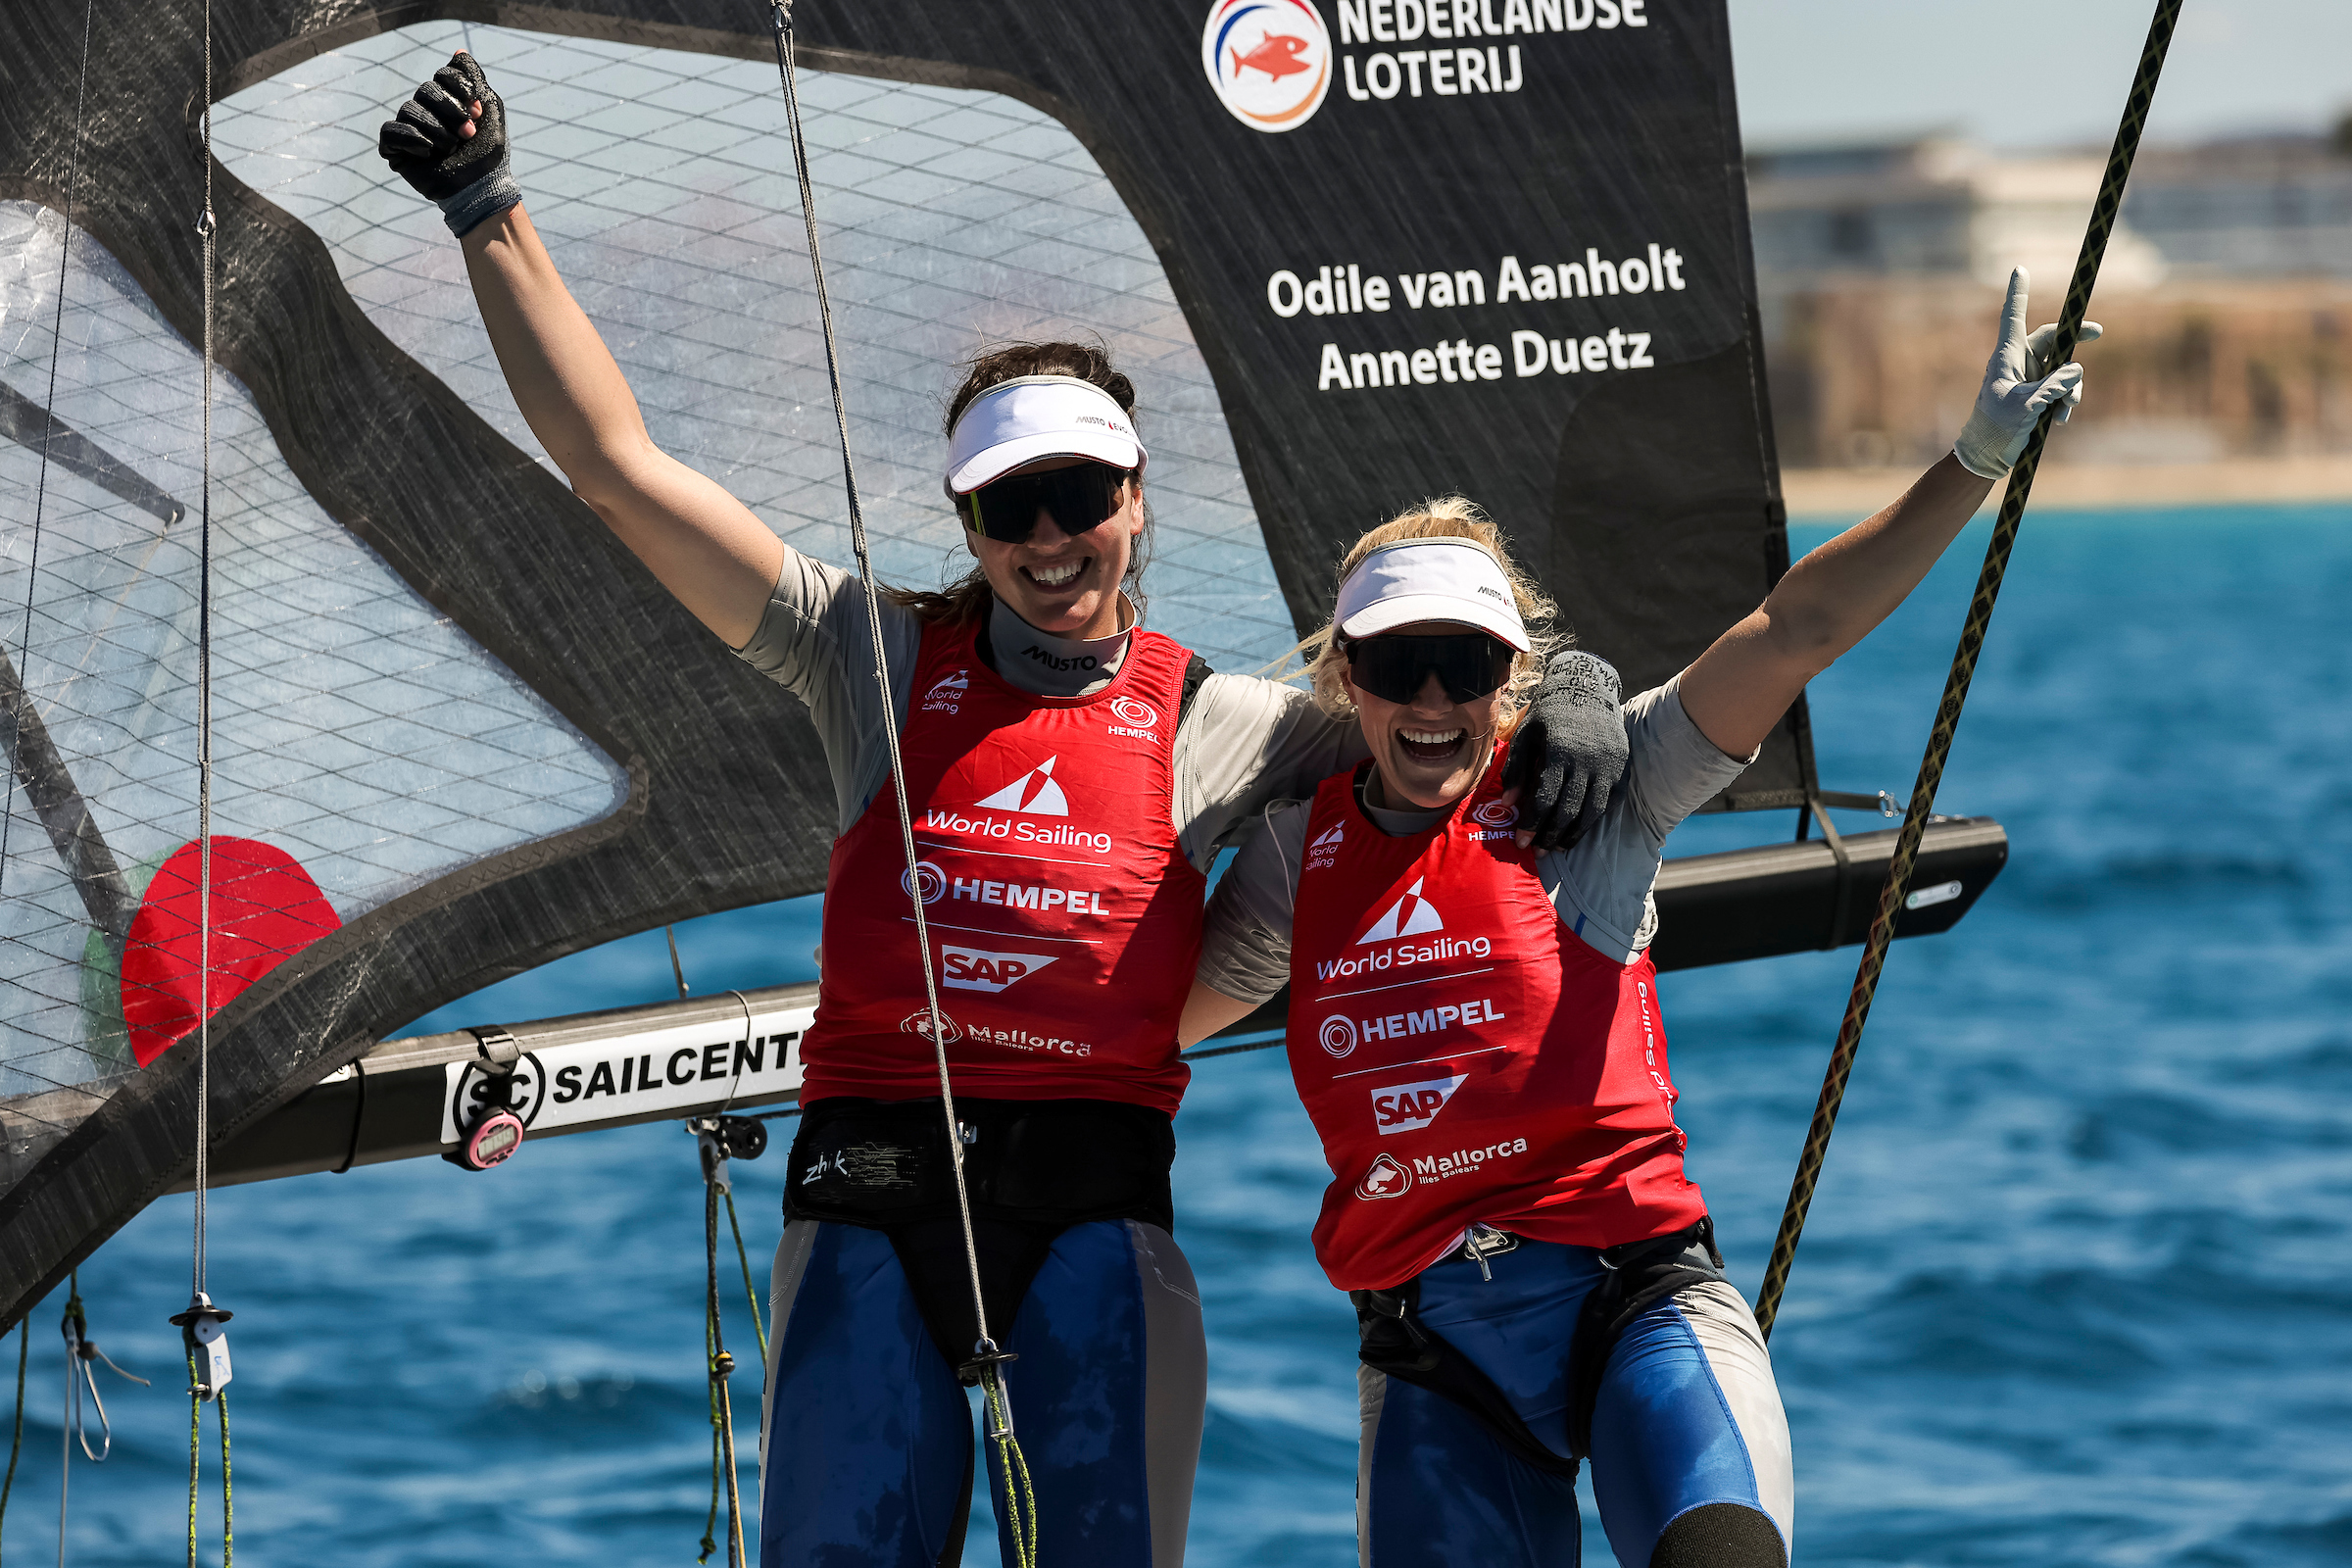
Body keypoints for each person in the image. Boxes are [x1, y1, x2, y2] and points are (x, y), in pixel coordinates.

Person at [375, 52, 1633, 1566]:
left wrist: (1574, 685)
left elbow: (1433, 717)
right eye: (1008, 508)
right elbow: (616, 471)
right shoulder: (873, 657)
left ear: (1137, 500)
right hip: (863, 1200)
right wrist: (486, 207)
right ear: (964, 523)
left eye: (1081, 497)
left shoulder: (1221, 721)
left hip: (1097, 1213)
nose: (1050, 539)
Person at [1177, 275, 2094, 1567]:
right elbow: (1138, 1030)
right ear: (1346, 679)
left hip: (1638, 1309)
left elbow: (1795, 626)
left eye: (1470, 662)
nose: (1432, 695)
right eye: (1395, 664)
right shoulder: (1289, 857)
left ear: (1513, 679)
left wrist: (1972, 463)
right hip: (1435, 1357)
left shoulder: (1595, 793)